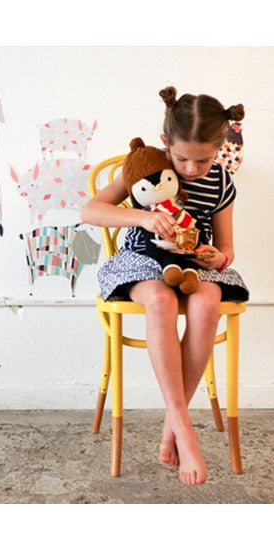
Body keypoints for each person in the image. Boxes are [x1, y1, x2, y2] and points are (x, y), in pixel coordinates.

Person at [80, 86, 249, 486]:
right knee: (160, 302)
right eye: (182, 158)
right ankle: (184, 430)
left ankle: (173, 421)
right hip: (142, 262)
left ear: (220, 147)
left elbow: (227, 247)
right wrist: (141, 217)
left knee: (207, 303)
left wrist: (218, 257)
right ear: (165, 143)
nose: (191, 169)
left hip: (194, 266)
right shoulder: (146, 165)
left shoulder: (221, 181)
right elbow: (90, 211)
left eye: (203, 160)